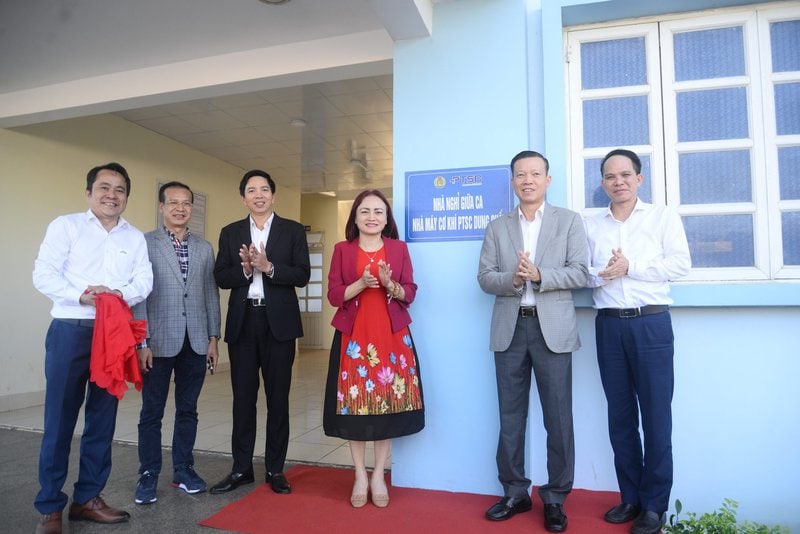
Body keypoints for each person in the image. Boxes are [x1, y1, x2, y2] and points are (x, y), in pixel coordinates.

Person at [32, 163, 153, 534]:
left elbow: (144, 279)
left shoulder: (134, 237)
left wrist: (120, 295)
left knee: (102, 419)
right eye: (104, 188)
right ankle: (50, 506)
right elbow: (43, 274)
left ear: (126, 198)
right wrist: (82, 296)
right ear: (89, 193)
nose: (111, 195)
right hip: (71, 328)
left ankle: (88, 499)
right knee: (60, 420)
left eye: (119, 190)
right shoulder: (65, 226)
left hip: (113, 333)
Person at [477, 150, 588, 533]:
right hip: (511, 328)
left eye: (535, 173)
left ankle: (555, 497)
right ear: (512, 181)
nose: (528, 180)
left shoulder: (569, 221)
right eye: (520, 174)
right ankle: (514, 491)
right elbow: (484, 277)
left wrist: (540, 275)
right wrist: (512, 279)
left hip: (552, 330)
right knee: (510, 417)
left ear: (547, 179)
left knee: (559, 419)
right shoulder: (497, 226)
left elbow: (580, 273)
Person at [584, 149, 690, 534]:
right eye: (610, 177)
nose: (618, 182)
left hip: (651, 324)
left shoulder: (662, 217)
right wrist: (604, 274)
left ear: (639, 179)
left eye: (625, 175)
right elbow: (584, 271)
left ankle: (654, 506)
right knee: (621, 417)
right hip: (609, 326)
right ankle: (629, 497)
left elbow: (681, 264)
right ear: (603, 183)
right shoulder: (592, 224)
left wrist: (633, 267)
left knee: (657, 418)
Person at [210, 169, 310, 495]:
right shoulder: (230, 232)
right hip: (243, 322)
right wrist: (245, 269)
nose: (258, 194)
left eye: (264, 189)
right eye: (251, 190)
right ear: (243, 198)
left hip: (278, 324)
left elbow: (302, 274)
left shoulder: (292, 231)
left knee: (278, 400)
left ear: (273, 195)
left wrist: (268, 268)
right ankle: (241, 469)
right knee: (243, 400)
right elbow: (221, 276)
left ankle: (275, 469)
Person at [323, 189, 424, 509]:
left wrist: (391, 286)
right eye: (365, 211)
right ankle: (359, 475)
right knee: (356, 407)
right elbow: (334, 294)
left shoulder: (398, 249)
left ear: (386, 218)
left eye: (378, 211)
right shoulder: (342, 250)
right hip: (354, 339)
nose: (371, 217)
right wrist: (362, 284)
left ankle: (379, 474)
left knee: (387, 406)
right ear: (355, 217)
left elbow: (410, 291)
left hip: (391, 338)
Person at [132, 181, 221, 505]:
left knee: (188, 410)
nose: (180, 208)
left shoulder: (204, 247)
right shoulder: (145, 243)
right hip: (156, 342)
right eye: (173, 203)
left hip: (195, 341)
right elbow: (139, 296)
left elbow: (210, 295)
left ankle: (183, 470)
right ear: (161, 207)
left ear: (191, 208)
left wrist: (213, 338)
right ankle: (148, 474)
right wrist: (141, 342)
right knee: (151, 412)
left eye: (186, 203)